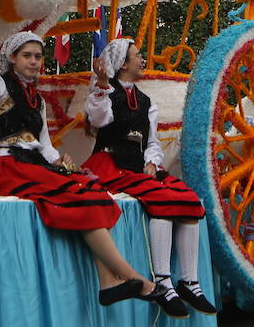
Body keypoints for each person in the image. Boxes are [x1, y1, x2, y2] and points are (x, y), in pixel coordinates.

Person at [0, 24, 168, 309]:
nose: (34, 61)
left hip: (31, 165)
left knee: (92, 190)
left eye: (38, 56)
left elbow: (44, 145)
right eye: (27, 56)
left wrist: (60, 161)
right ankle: (134, 278)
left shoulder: (39, 101)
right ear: (12, 58)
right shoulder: (0, 84)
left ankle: (108, 283)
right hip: (6, 166)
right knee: (79, 195)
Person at [83, 38, 214, 317]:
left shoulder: (145, 101)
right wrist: (103, 84)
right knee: (163, 200)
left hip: (139, 165)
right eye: (137, 55)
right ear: (122, 65)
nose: (142, 60)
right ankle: (163, 281)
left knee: (190, 200)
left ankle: (190, 281)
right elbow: (97, 120)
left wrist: (153, 162)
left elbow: (152, 142)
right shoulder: (104, 92)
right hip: (111, 162)